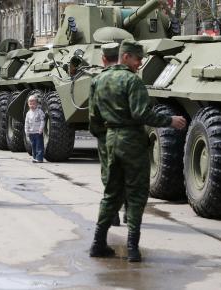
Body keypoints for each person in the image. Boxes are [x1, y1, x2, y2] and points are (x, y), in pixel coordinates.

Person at [89, 40, 187, 262]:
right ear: (125, 57)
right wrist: (170, 120)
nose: (140, 63)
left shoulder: (98, 80)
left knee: (110, 195)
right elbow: (141, 114)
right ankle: (132, 248)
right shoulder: (132, 81)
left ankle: (98, 243)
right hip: (132, 141)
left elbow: (93, 119)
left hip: (110, 141)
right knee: (136, 194)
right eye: (137, 58)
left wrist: (105, 142)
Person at [89, 42, 125, 227]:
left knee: (109, 174)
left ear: (103, 58)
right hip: (129, 136)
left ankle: (113, 215)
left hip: (106, 135)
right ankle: (129, 212)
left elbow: (93, 113)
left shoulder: (97, 80)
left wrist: (98, 134)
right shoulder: (131, 78)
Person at [24, 93, 45, 163]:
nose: (32, 105)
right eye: (30, 104)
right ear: (28, 104)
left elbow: (42, 121)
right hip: (31, 133)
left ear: (36, 104)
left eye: (33, 104)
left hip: (38, 132)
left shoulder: (39, 112)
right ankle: (34, 157)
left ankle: (39, 158)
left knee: (39, 145)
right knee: (33, 146)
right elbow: (26, 123)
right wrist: (26, 131)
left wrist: (41, 129)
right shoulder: (28, 113)